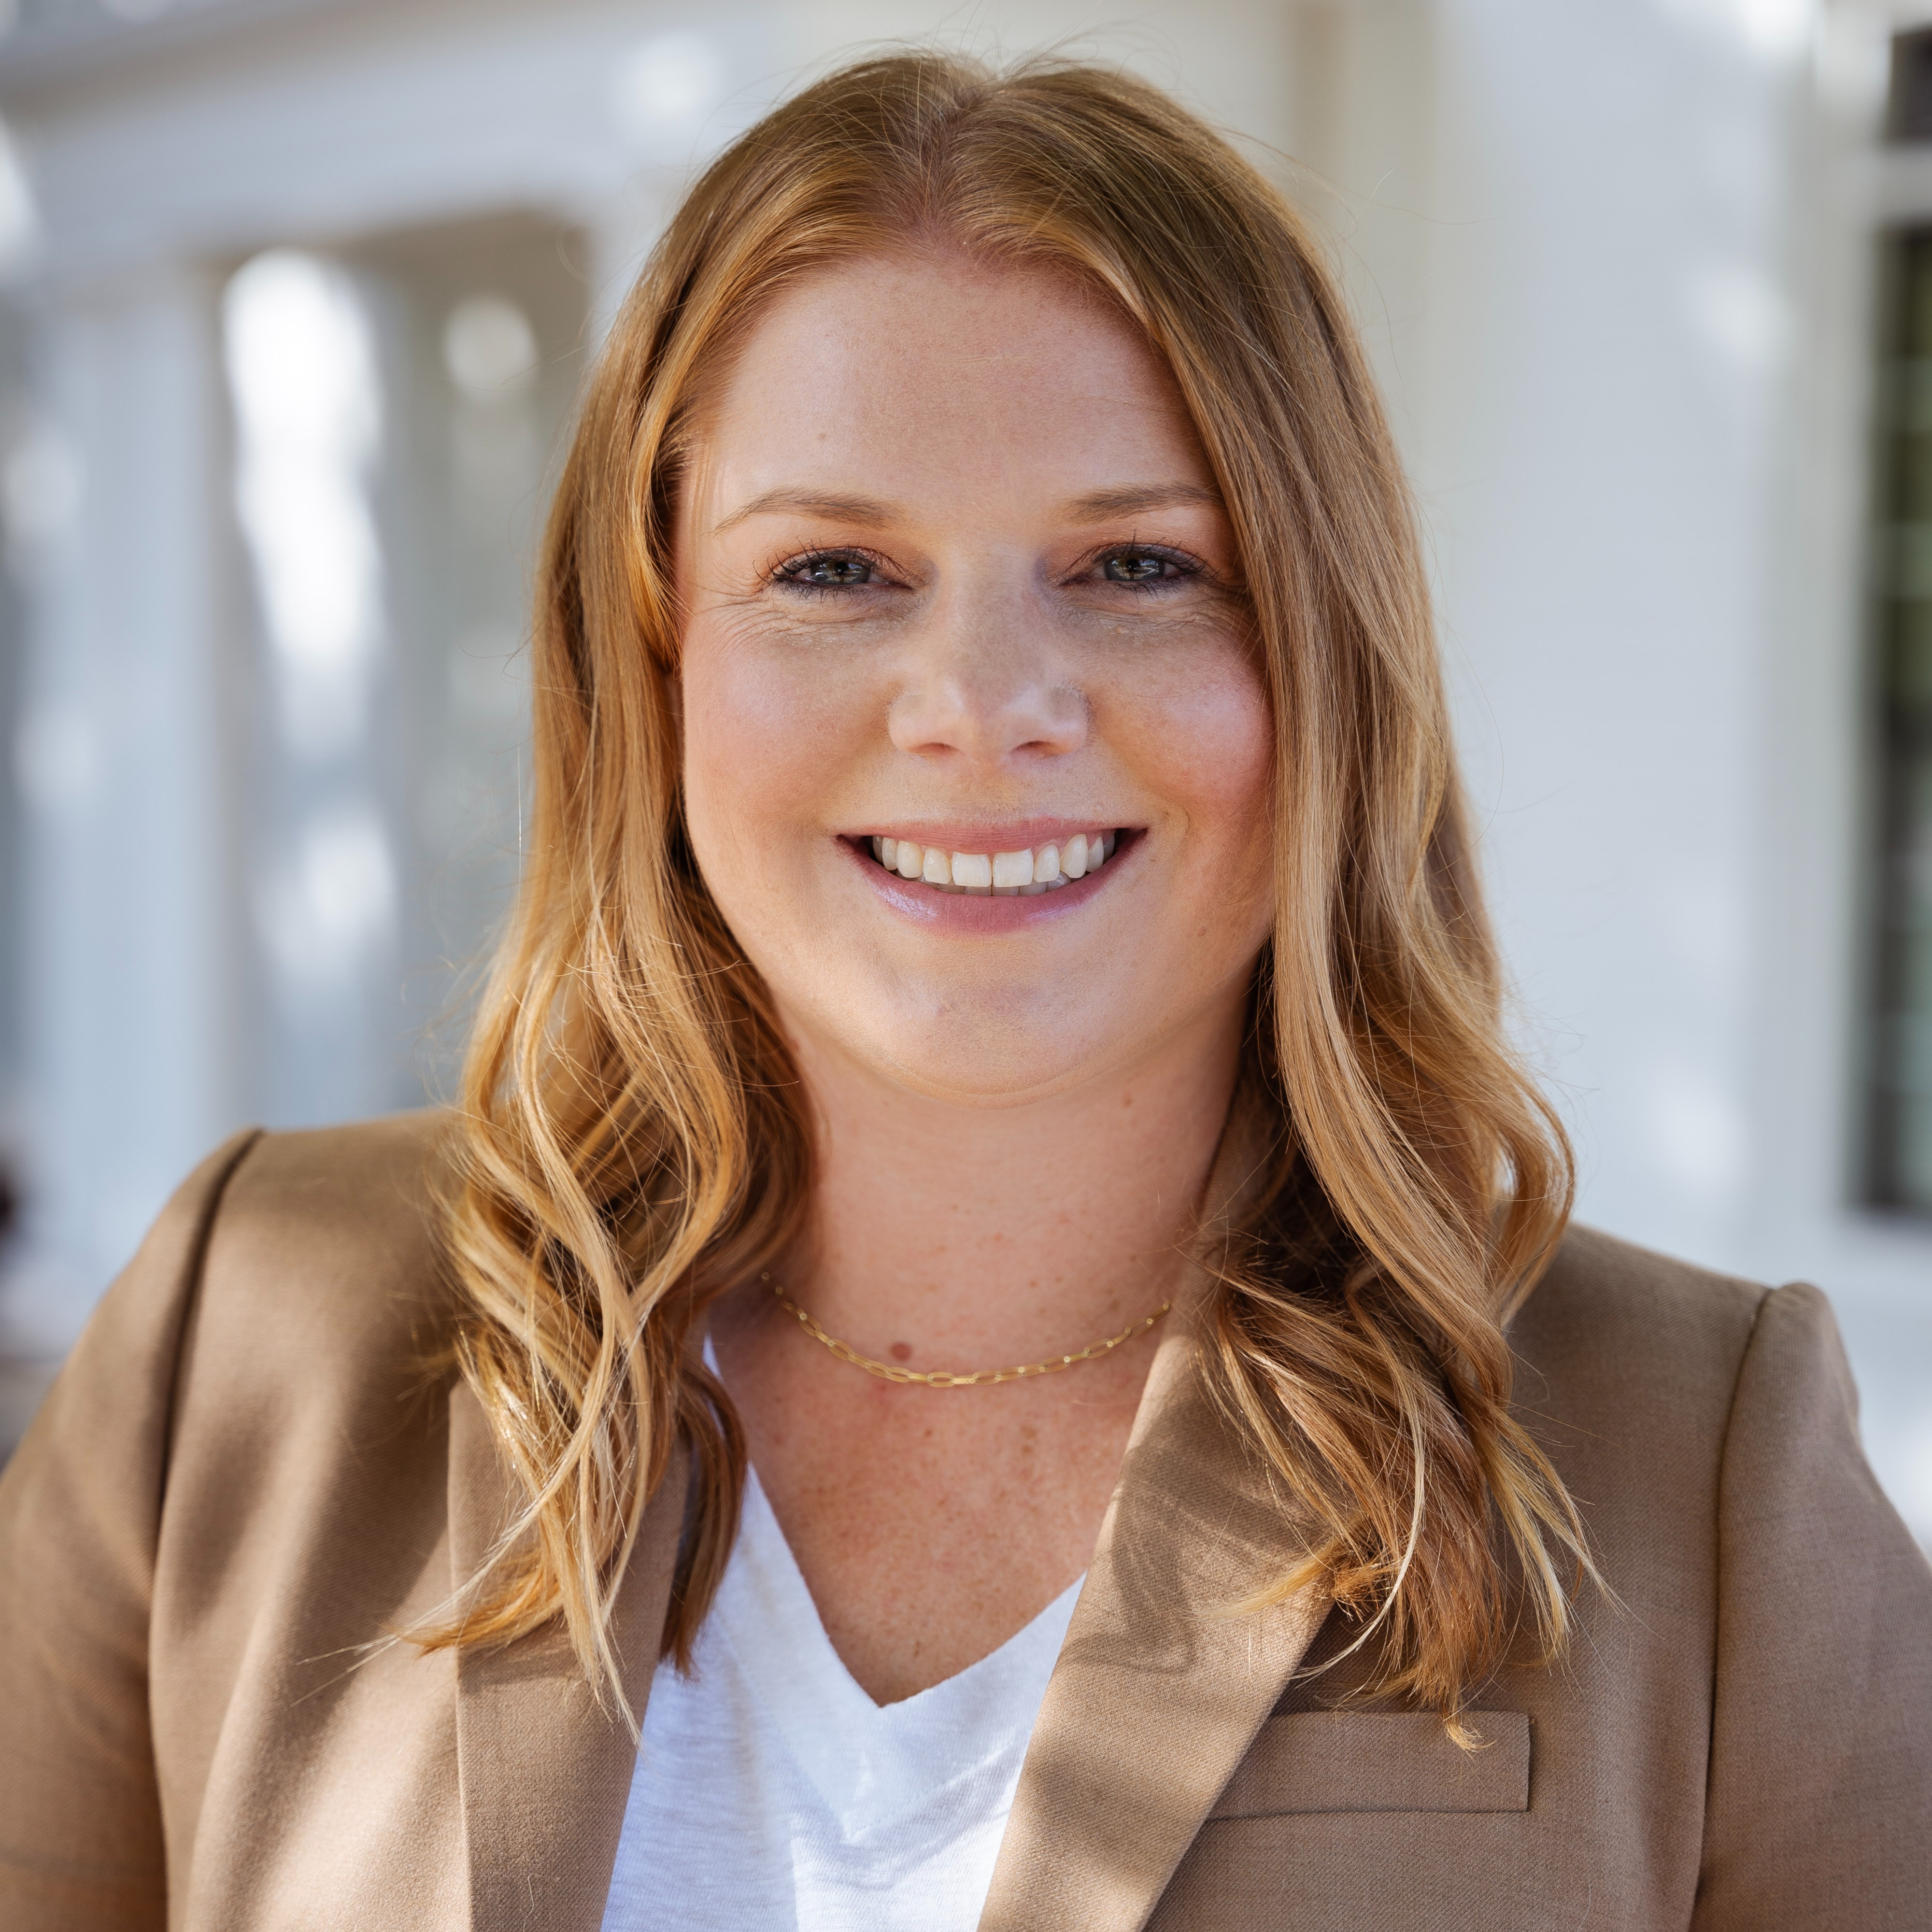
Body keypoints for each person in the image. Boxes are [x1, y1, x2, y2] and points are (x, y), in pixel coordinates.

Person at [2, 51, 1929, 1932]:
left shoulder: (1705, 1470)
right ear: (653, 656)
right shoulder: (241, 1341)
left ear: (1326, 659)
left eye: (1138, 566)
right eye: (835, 569)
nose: (983, 707)